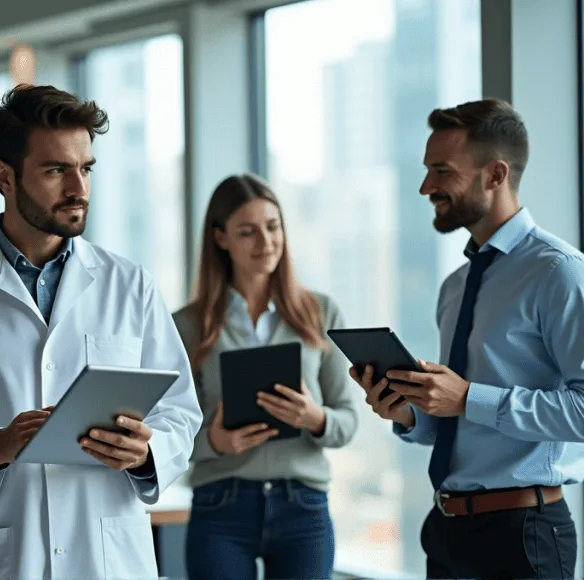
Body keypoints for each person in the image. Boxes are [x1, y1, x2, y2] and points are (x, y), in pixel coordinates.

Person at [0, 84, 202, 579]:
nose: (79, 188)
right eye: (56, 170)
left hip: (106, 560)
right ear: (4, 176)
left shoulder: (129, 286)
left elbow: (179, 411)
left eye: (86, 168)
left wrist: (146, 452)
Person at [353, 98, 584, 579]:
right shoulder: (455, 286)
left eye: (441, 171)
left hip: (525, 534)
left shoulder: (557, 273)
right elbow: (457, 420)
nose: (425, 187)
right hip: (447, 531)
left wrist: (468, 398)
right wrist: (409, 411)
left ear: (495, 175)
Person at [172, 174, 359, 580]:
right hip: (220, 507)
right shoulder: (187, 325)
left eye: (273, 227)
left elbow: (348, 420)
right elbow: (167, 430)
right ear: (220, 238)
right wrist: (214, 442)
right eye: (248, 231)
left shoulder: (321, 313)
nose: (266, 242)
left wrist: (315, 418)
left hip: (303, 508)